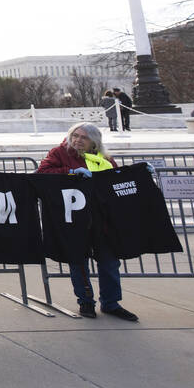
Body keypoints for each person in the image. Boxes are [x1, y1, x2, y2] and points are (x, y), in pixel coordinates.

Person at [37, 122, 138, 321]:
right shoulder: (59, 152)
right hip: (74, 219)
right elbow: (42, 173)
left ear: (94, 141)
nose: (77, 140)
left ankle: (111, 303)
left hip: (102, 219)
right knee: (79, 262)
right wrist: (70, 172)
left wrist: (137, 173)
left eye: (83, 137)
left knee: (109, 262)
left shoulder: (104, 158)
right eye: (75, 135)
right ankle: (86, 301)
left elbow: (116, 180)